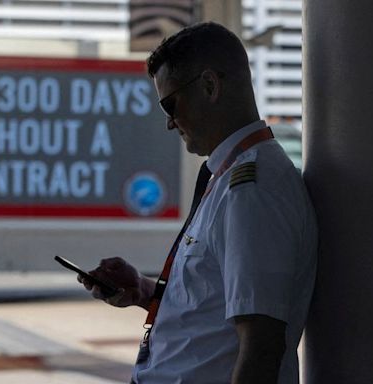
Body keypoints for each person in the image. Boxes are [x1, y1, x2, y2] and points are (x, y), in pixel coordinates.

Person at [78, 22, 317, 384]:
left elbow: (261, 346)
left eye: (169, 104)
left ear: (209, 86)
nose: (169, 123)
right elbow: (211, 307)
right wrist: (144, 291)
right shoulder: (228, 178)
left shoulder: (252, 190)